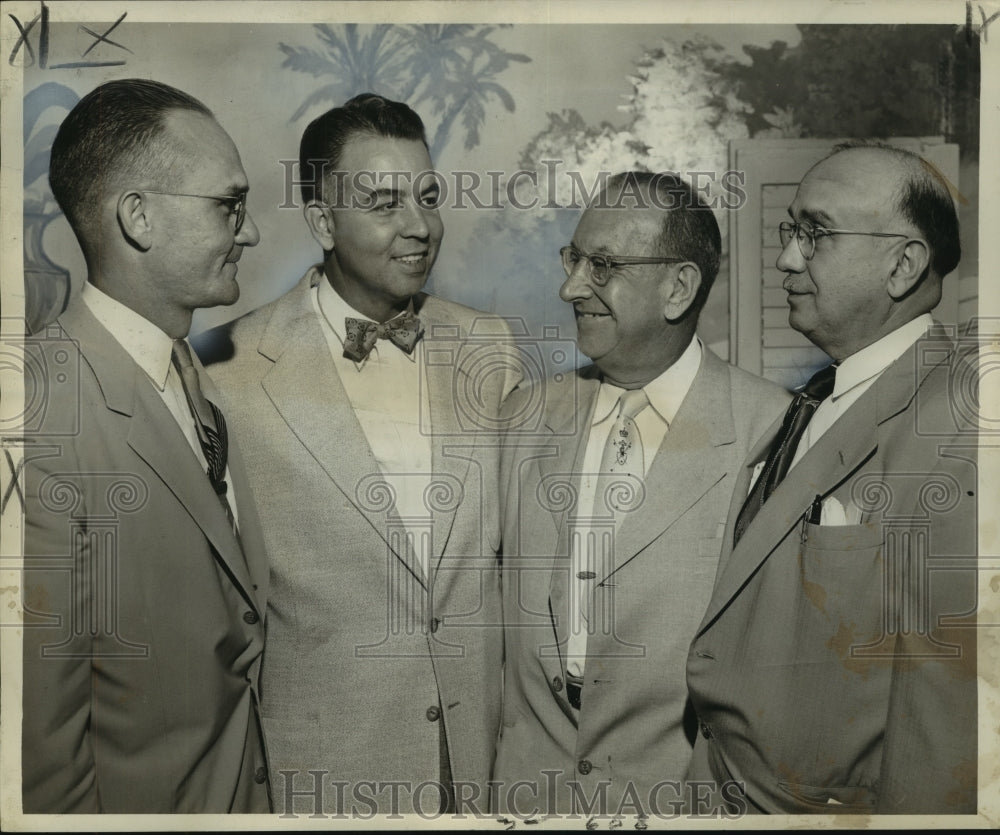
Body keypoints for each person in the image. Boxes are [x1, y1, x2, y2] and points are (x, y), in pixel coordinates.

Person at [201, 93, 521, 816]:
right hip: (322, 775)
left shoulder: (491, 347)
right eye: (384, 203)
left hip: (483, 769)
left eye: (428, 197)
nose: (420, 227)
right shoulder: (229, 371)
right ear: (323, 222)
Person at [686, 142, 978, 814]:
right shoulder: (816, 400)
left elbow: (943, 733)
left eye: (815, 233)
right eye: (792, 231)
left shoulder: (960, 431)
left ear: (902, 264)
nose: (787, 257)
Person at [493, 171, 790, 816]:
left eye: (604, 266)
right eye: (574, 259)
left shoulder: (771, 433)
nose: (570, 287)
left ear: (679, 288)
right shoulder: (523, 417)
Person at [21, 78, 268, 813]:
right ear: (138, 217)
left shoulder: (194, 377)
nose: (248, 231)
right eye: (229, 205)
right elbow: (43, 747)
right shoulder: (39, 414)